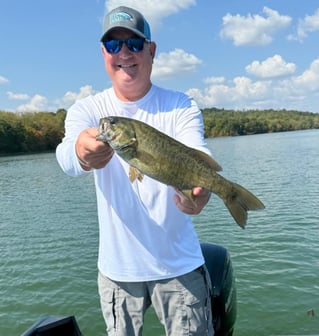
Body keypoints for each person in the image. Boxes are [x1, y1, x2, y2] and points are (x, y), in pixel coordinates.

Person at [56, 6, 214, 336]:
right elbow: (67, 157)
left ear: (151, 50)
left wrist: (202, 190)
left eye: (134, 44)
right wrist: (82, 153)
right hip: (117, 272)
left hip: (180, 265)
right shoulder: (89, 109)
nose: (124, 53)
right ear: (103, 53)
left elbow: (196, 151)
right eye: (113, 46)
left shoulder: (180, 104)